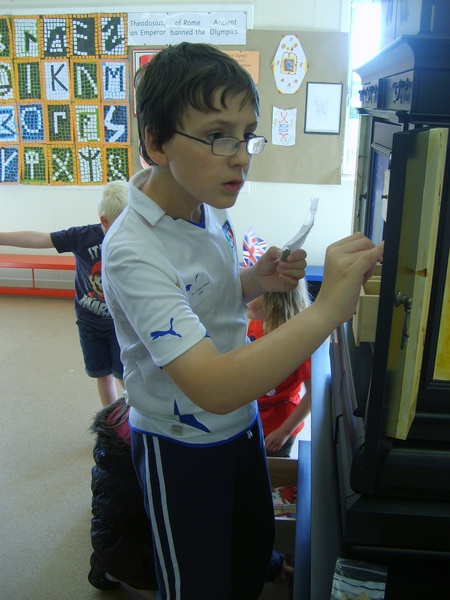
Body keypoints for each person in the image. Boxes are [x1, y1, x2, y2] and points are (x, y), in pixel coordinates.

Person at [101, 42, 383, 600]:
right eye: (217, 135)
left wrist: (256, 280)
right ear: (156, 143)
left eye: (247, 134)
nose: (240, 156)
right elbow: (213, 385)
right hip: (180, 440)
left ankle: (261, 568)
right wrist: (327, 311)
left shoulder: (204, 201)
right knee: (197, 577)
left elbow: (205, 296)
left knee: (249, 539)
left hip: (241, 425)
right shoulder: (132, 249)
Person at [88, 398, 293, 599]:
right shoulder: (150, 470)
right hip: (127, 549)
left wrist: (271, 564)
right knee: (179, 578)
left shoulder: (136, 425)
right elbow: (200, 533)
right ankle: (108, 570)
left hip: (137, 531)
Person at [0, 180, 128, 407]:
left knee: (125, 377)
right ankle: (112, 426)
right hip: (90, 324)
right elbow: (39, 238)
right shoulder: (82, 236)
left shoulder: (135, 241)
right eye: (122, 225)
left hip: (123, 325)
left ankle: (140, 422)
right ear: (105, 221)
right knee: (102, 374)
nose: (128, 231)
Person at [89, 398, 158, 599]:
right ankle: (107, 570)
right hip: (124, 546)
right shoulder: (137, 445)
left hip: (123, 526)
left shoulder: (124, 417)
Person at [246, 279, 312, 457]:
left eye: (256, 292)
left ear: (273, 302)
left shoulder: (301, 344)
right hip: (250, 417)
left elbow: (314, 395)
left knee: (274, 474)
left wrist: (284, 431)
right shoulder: (255, 323)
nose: (247, 297)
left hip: (280, 426)